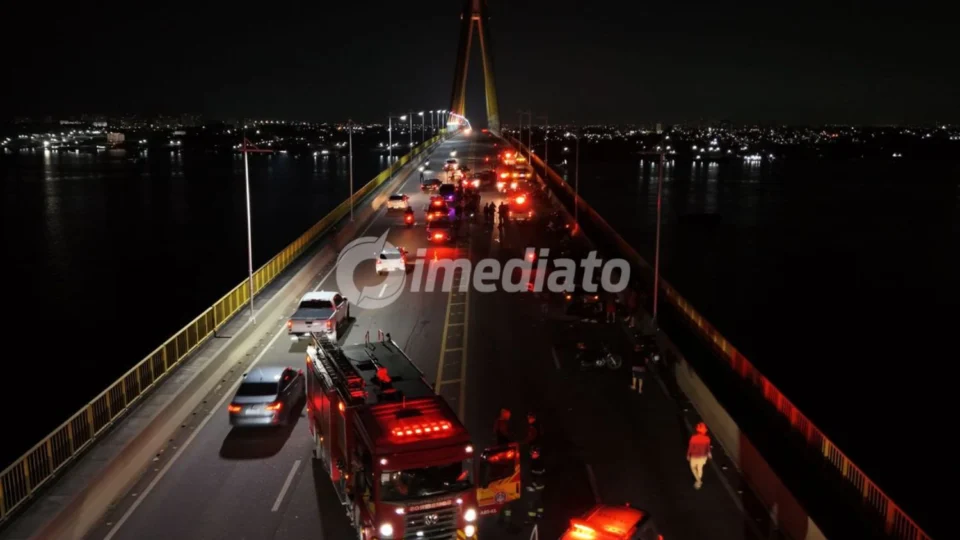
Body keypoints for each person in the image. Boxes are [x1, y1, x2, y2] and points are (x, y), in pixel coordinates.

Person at [687, 422, 712, 489]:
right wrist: (709, 454)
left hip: (694, 456)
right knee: (700, 468)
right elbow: (708, 448)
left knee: (693, 468)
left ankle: (698, 481)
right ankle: (698, 481)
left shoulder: (693, 438)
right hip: (703, 456)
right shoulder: (707, 438)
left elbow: (690, 447)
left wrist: (688, 455)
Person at [524, 445, 545, 523]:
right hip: (540, 486)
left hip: (535, 486)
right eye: (532, 453)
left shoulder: (536, 463)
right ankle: (539, 515)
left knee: (531, 503)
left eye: (534, 453)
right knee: (539, 501)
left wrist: (532, 485)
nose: (532, 455)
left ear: (538, 454)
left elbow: (535, 475)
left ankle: (530, 519)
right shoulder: (538, 461)